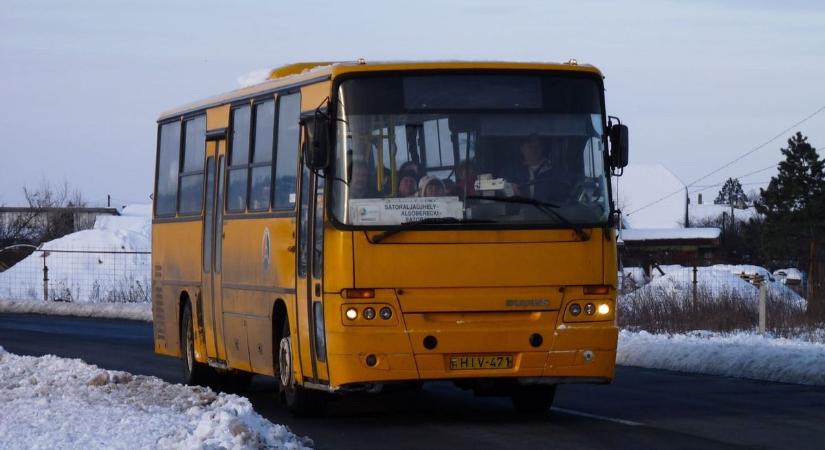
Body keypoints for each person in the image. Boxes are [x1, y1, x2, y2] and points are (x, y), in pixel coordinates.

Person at [505, 136, 570, 203]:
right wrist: (509, 189)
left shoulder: (556, 173)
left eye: (537, 146)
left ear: (542, 149)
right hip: (517, 212)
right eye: (530, 147)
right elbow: (499, 189)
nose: (534, 150)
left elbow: (563, 197)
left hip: (549, 212)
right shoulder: (511, 171)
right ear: (522, 149)